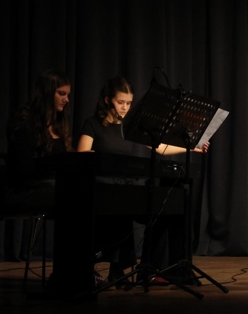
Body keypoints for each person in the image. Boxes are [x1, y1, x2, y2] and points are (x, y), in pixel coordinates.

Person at [76, 76, 209, 286]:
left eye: (129, 103)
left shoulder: (130, 127)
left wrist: (191, 147)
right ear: (108, 100)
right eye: (120, 102)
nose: (125, 107)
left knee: (161, 209)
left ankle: (148, 269)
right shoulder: (93, 124)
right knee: (118, 209)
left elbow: (160, 148)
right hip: (101, 190)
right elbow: (81, 155)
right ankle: (111, 268)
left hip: (126, 190)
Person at [5, 69, 73, 214]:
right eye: (62, 93)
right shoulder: (25, 123)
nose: (66, 100)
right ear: (47, 93)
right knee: (70, 196)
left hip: (49, 186)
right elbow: (23, 169)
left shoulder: (58, 125)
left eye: (67, 95)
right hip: (23, 191)